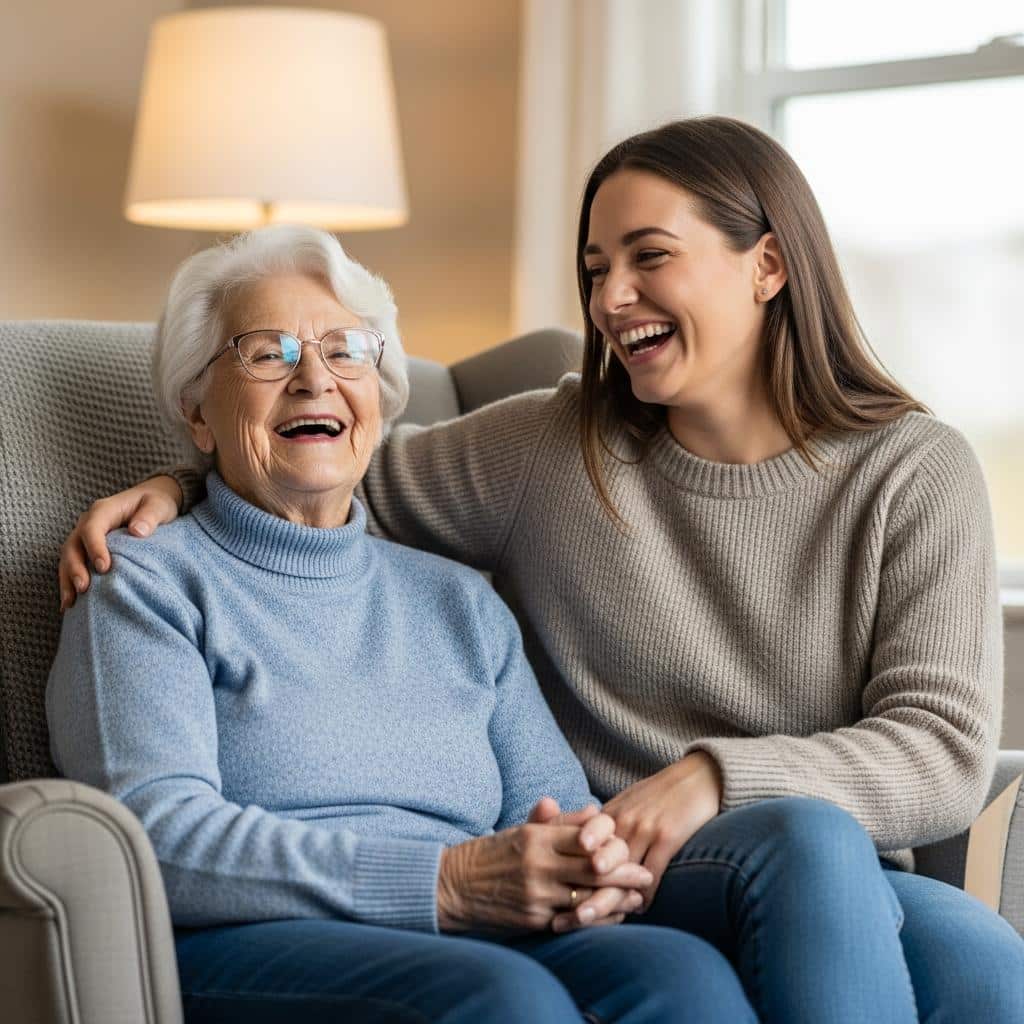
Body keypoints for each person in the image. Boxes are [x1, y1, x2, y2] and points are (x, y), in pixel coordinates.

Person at [60, 118, 1024, 1022]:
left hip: (789, 849)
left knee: (975, 963)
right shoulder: (549, 448)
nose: (609, 299)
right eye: (596, 268)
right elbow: (323, 471)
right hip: (625, 858)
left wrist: (708, 777)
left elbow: (940, 753)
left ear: (767, 263)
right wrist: (183, 488)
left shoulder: (911, 469)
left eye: (650, 257)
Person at [46, 225, 756, 1024]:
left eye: (347, 350)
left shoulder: (459, 602)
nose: (314, 377)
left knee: (680, 973)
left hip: (477, 923)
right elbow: (155, 834)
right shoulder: (143, 581)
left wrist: (586, 862)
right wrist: (444, 882)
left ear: (378, 402)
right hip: (249, 936)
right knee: (504, 996)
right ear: (198, 414)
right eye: (267, 352)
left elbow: (550, 806)